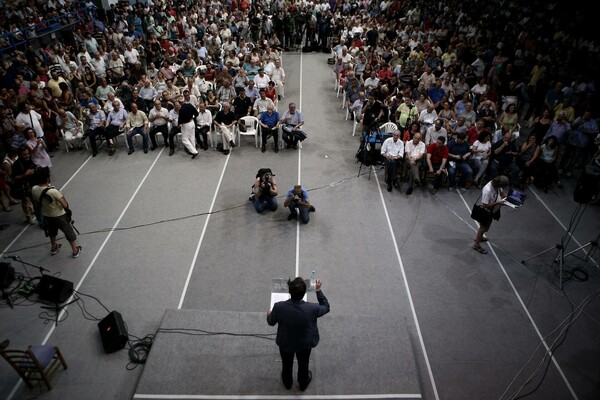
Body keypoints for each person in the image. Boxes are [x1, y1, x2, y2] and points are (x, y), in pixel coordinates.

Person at [267, 276, 330, 391]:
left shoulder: (279, 307)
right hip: (304, 344)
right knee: (303, 363)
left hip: (285, 343)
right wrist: (318, 290)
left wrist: (269, 314)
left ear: (289, 291)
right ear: (304, 293)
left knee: (286, 364)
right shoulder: (312, 308)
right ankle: (303, 383)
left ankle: (287, 383)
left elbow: (271, 322)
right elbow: (326, 307)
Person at [31, 167, 82, 258]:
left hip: (47, 215)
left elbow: (36, 202)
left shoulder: (34, 189)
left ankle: (54, 247)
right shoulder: (53, 191)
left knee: (52, 231)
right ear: (47, 178)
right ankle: (75, 250)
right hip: (59, 216)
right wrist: (61, 195)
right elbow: (65, 205)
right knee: (68, 232)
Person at [473, 175, 509, 254]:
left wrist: (510, 199)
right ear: (498, 184)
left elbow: (502, 193)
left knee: (486, 228)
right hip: (486, 212)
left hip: (493, 210)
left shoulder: (497, 184)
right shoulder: (488, 190)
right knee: (483, 228)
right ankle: (476, 245)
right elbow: (484, 205)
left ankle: (480, 238)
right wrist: (498, 203)